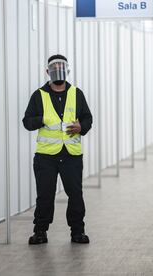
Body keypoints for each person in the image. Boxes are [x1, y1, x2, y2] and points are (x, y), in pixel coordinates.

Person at [22, 54, 93, 244]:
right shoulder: (39, 95)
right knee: (45, 195)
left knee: (75, 194)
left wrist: (81, 127)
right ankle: (40, 232)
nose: (58, 72)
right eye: (54, 69)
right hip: (46, 156)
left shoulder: (76, 94)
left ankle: (78, 232)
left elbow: (88, 118)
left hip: (71, 155)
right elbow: (27, 122)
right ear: (48, 72)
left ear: (67, 71)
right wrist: (41, 119)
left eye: (61, 68)